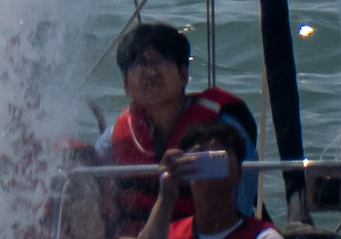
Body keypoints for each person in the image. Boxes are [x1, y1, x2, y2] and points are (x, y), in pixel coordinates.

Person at [95, 24, 255, 237]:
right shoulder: (113, 139)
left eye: (159, 61)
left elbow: (243, 199)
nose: (149, 72)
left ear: (183, 74)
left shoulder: (224, 128)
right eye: (139, 64)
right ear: (126, 83)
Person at [134, 119, 280, 239]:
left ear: (239, 173)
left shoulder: (264, 236)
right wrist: (166, 195)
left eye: (218, 158)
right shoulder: (169, 234)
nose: (210, 171)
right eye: (200, 159)